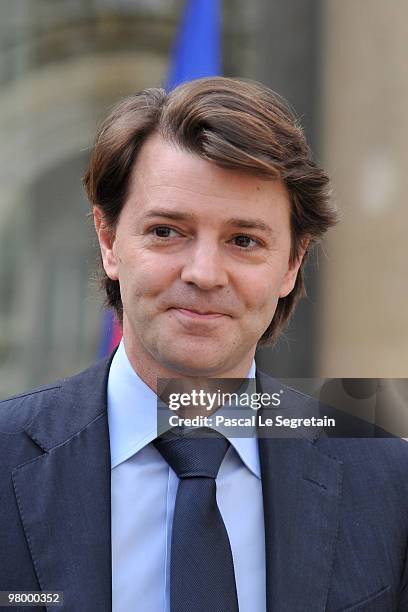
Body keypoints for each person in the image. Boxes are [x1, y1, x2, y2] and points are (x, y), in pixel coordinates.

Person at [0, 77, 407, 612]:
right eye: (167, 231)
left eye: (244, 241)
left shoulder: (386, 477)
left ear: (291, 263)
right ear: (108, 241)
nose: (204, 273)